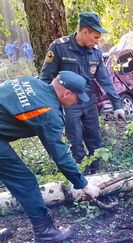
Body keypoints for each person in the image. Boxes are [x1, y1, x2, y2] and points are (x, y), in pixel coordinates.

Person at [0, 71, 101, 242]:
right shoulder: (49, 112)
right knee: (25, 182)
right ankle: (45, 231)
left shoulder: (32, 82)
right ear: (66, 93)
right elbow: (60, 155)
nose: (77, 102)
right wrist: (83, 183)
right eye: (77, 98)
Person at [39, 12, 125, 174]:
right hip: (68, 105)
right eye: (96, 37)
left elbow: (105, 80)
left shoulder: (96, 53)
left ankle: (98, 176)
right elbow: (45, 79)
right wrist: (50, 110)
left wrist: (117, 104)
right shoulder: (59, 47)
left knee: (96, 142)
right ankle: (82, 180)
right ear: (85, 32)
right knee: (75, 143)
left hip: (88, 103)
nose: (98, 41)